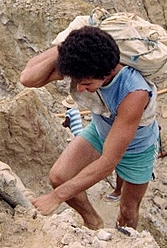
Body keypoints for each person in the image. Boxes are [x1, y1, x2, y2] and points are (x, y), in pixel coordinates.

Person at [20, 26, 159, 230]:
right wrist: (66, 48)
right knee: (59, 177)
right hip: (100, 131)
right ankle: (94, 222)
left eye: (86, 84)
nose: (79, 89)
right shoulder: (83, 66)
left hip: (138, 148)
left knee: (129, 210)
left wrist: (56, 197)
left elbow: (108, 162)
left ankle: (123, 241)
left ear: (109, 72)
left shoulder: (134, 92)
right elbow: (27, 79)